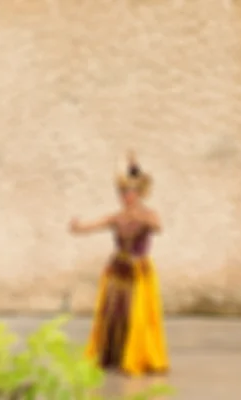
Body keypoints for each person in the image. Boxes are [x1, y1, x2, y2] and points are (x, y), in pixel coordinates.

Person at [69, 151, 169, 376]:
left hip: (139, 271)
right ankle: (114, 354)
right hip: (117, 269)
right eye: (122, 192)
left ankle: (138, 356)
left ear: (139, 193)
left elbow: (158, 227)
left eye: (129, 192)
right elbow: (92, 225)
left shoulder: (148, 214)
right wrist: (78, 227)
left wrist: (142, 217)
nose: (125, 196)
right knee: (115, 313)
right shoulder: (116, 217)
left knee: (138, 315)